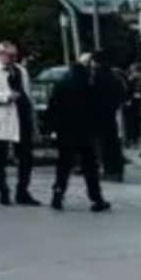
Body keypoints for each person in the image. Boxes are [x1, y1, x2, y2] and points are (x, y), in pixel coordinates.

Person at [0, 41, 39, 207]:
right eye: (10, 56)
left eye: (15, 56)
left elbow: (27, 93)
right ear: (0, 54)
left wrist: (33, 119)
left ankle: (22, 191)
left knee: (26, 157)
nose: (13, 59)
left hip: (21, 115)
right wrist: (4, 96)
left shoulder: (20, 70)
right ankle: (3, 191)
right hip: (0, 117)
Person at [46, 57, 111, 213]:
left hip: (65, 133)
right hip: (86, 133)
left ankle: (57, 194)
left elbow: (52, 110)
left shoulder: (61, 87)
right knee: (90, 167)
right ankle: (96, 198)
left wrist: (52, 129)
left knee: (63, 166)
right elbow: (99, 110)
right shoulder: (90, 88)